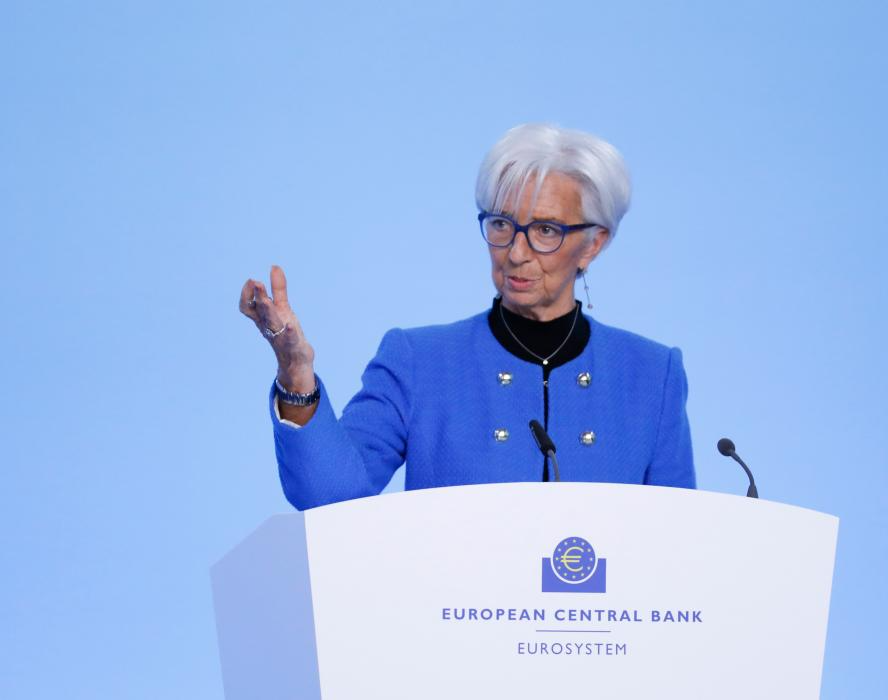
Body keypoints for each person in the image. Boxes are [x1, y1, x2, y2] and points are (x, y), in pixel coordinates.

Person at [239, 123, 695, 511]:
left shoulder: (653, 375)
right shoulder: (417, 360)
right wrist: (296, 373)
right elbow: (329, 497)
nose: (516, 252)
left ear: (593, 244)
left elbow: (678, 542)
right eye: (501, 224)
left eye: (545, 230)